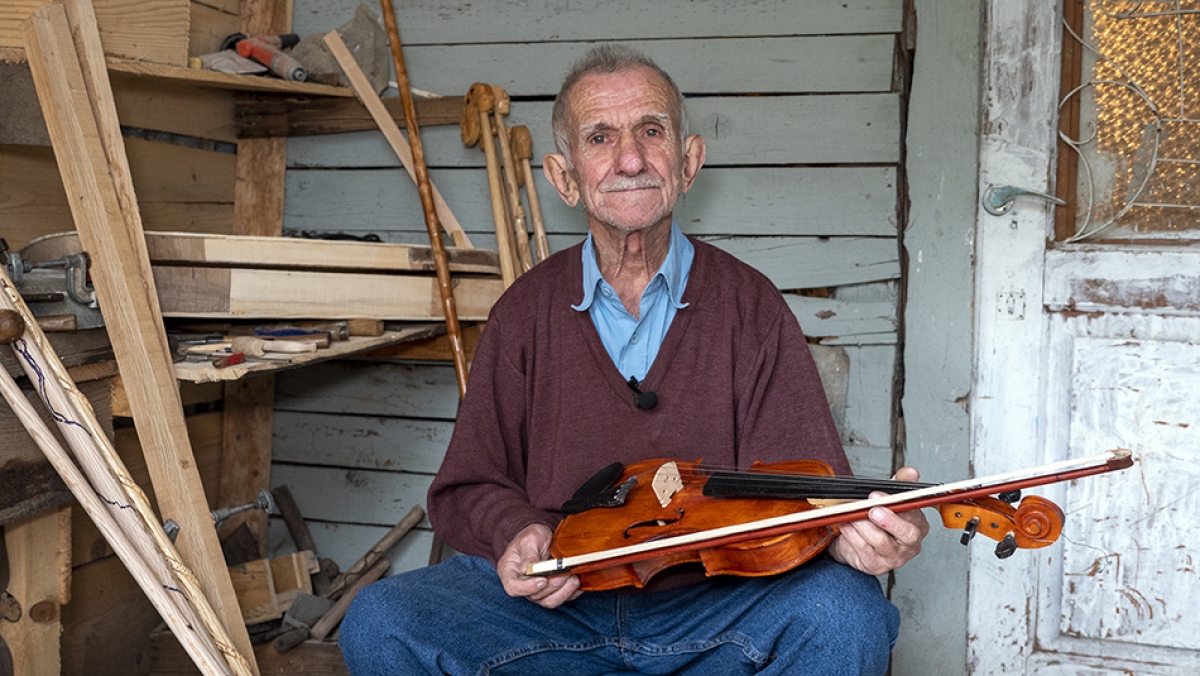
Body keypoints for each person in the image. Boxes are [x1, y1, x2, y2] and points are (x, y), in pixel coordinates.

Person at [339, 44, 929, 676]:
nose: (630, 159)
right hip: (557, 610)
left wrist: (850, 542)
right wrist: (516, 531)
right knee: (381, 619)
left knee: (847, 613)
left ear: (688, 161)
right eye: (600, 138)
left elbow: (805, 494)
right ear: (564, 178)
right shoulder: (524, 312)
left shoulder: (750, 305)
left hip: (715, 608)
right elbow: (468, 485)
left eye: (651, 131)